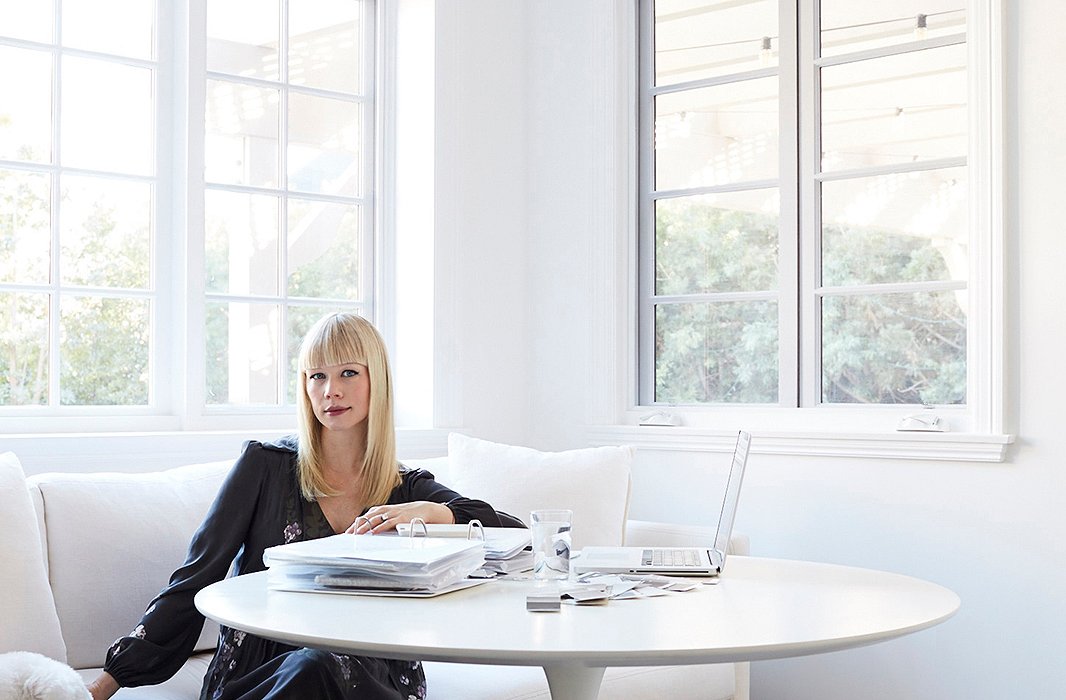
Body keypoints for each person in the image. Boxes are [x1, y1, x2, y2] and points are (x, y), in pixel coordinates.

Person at [87, 312, 524, 700]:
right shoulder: (264, 466)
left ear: (379, 381)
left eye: (349, 373)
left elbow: (515, 535)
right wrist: (107, 682)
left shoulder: (406, 489)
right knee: (312, 666)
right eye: (317, 376)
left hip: (372, 674)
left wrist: (436, 513)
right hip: (263, 673)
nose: (331, 390)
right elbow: (196, 576)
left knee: (324, 665)